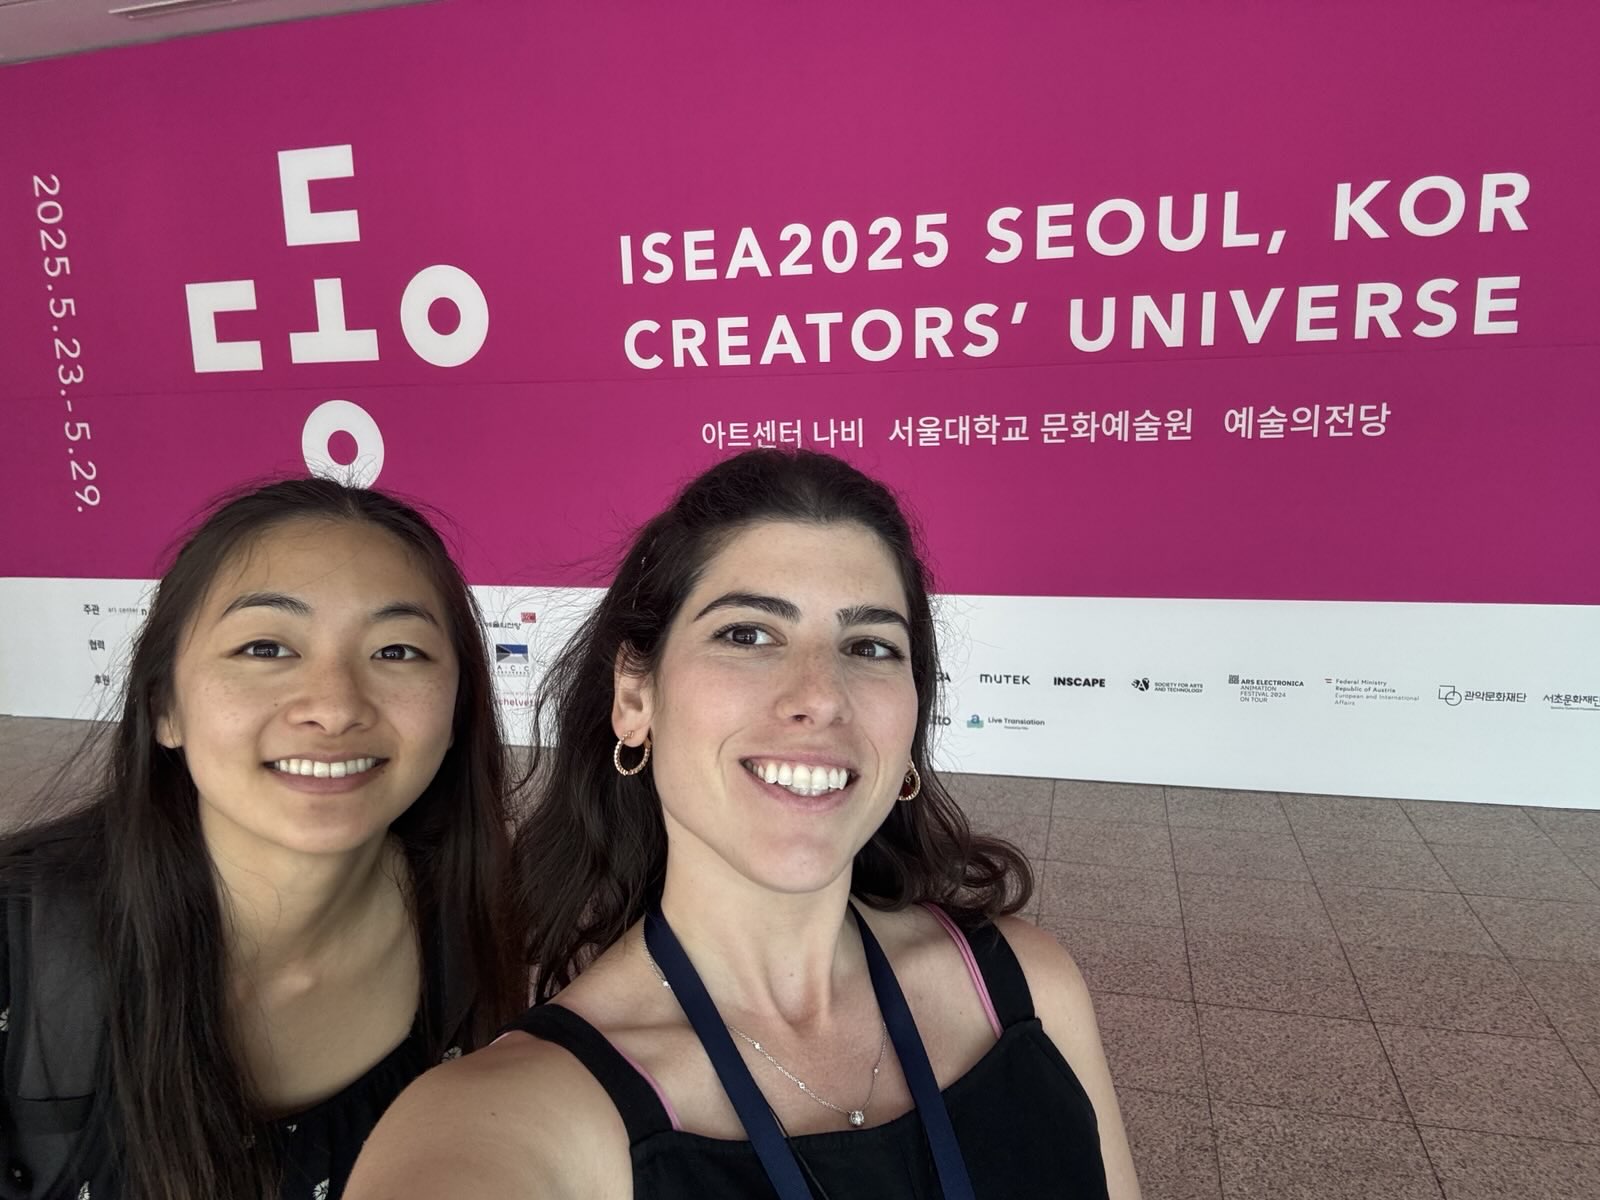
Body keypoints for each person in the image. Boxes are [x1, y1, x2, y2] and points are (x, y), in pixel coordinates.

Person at [348, 450, 1140, 1199]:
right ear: (635, 698)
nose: (821, 695)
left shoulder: (1026, 988)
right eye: (748, 634)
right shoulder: (526, 1115)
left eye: (869, 646)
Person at [0, 479, 524, 1200]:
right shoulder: (16, 947)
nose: (335, 706)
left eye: (398, 652)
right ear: (165, 708)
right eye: (266, 647)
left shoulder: (492, 921)